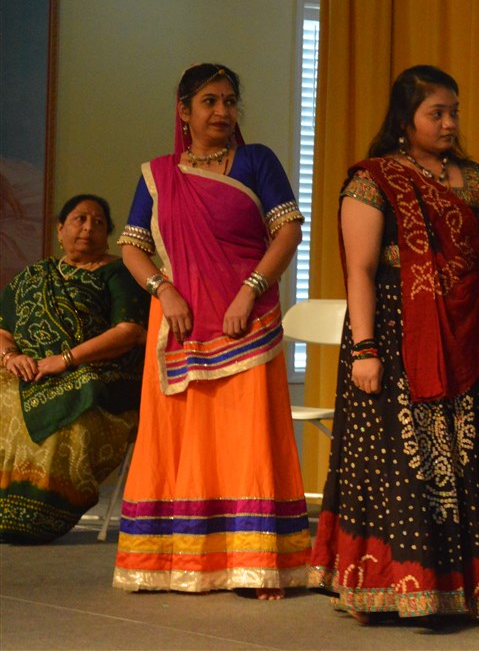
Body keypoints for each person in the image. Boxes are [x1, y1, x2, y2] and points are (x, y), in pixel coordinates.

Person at [308, 65, 479, 623]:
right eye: (437, 113)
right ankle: (394, 586)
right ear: (406, 121)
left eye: (453, 111)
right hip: (398, 337)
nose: (450, 122)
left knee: (470, 457)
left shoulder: (475, 180)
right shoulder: (374, 180)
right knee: (406, 462)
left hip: (469, 334)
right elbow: (359, 269)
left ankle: (469, 587)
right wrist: (365, 349)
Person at [113, 63, 308, 599]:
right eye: (209, 101)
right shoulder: (159, 174)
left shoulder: (256, 160)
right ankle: (175, 561)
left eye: (229, 101)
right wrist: (164, 289)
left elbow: (288, 229)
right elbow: (132, 246)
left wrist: (248, 290)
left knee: (246, 440)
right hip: (179, 325)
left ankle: (255, 563)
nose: (222, 111)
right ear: (184, 111)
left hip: (246, 319)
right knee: (183, 441)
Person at [0, 195, 148, 543]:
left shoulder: (120, 273)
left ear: (109, 234)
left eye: (98, 223)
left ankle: (38, 515)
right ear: (60, 229)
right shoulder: (34, 276)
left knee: (68, 401)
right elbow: (3, 331)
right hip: (31, 371)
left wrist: (65, 360)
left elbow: (129, 332)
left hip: (101, 376)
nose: (88, 228)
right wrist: (10, 357)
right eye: (80, 219)